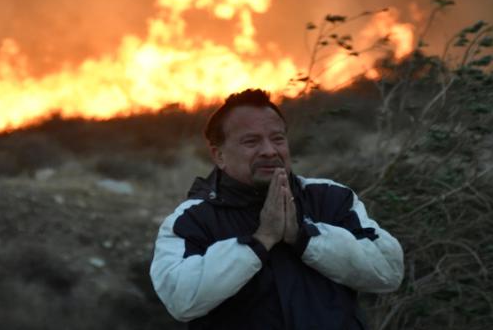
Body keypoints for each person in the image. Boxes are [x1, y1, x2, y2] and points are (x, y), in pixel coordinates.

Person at [150, 89, 403, 329]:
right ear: (219, 156)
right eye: (251, 142)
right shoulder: (192, 219)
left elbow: (388, 270)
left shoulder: (330, 197)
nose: (270, 151)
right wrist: (259, 242)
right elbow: (179, 299)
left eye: (278, 139)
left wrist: (303, 237)